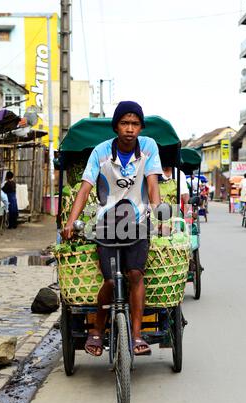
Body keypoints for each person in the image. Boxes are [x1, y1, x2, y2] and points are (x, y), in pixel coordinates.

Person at [62, 101, 163, 357]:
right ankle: (97, 329)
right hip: (106, 224)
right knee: (109, 279)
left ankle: (137, 334)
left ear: (140, 127)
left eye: (135, 124)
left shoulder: (149, 147)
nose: (130, 129)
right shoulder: (100, 152)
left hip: (139, 223)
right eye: (125, 123)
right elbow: (85, 188)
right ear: (116, 126)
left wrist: (158, 214)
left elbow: (152, 185)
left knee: (136, 274)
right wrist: (71, 222)